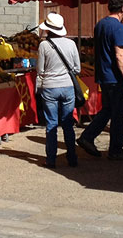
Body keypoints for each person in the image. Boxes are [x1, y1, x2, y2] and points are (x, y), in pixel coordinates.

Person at [77, 0, 123, 161]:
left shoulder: (101, 24)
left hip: (104, 75)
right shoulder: (117, 27)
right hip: (115, 77)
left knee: (108, 110)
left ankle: (87, 137)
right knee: (118, 115)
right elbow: (119, 55)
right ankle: (116, 149)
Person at [35, 12, 82, 168]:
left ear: (48, 29)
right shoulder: (71, 44)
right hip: (68, 86)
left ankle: (51, 159)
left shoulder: (43, 45)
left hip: (49, 88)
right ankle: (72, 157)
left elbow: (40, 70)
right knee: (68, 123)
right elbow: (77, 68)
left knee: (51, 124)